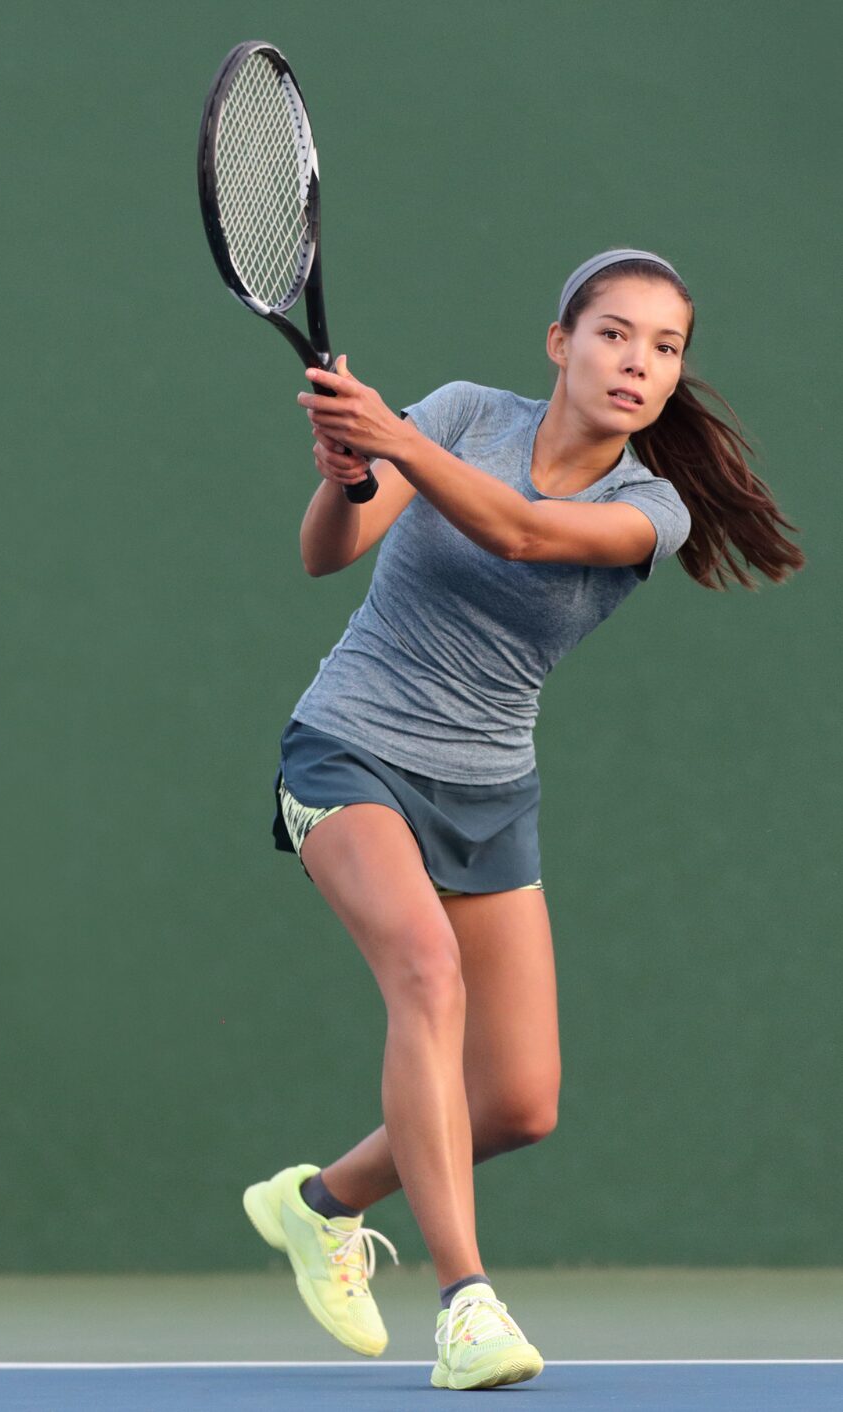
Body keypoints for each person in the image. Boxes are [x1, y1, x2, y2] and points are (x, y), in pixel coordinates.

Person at [239, 249, 803, 1391]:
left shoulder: (651, 509)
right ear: (560, 342)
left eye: (664, 347)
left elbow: (525, 535)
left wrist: (398, 445)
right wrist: (349, 474)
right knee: (425, 974)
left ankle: (320, 1203)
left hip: (489, 789)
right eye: (614, 333)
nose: (637, 362)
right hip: (351, 744)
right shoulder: (460, 414)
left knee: (517, 1102)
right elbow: (325, 553)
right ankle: (466, 1303)